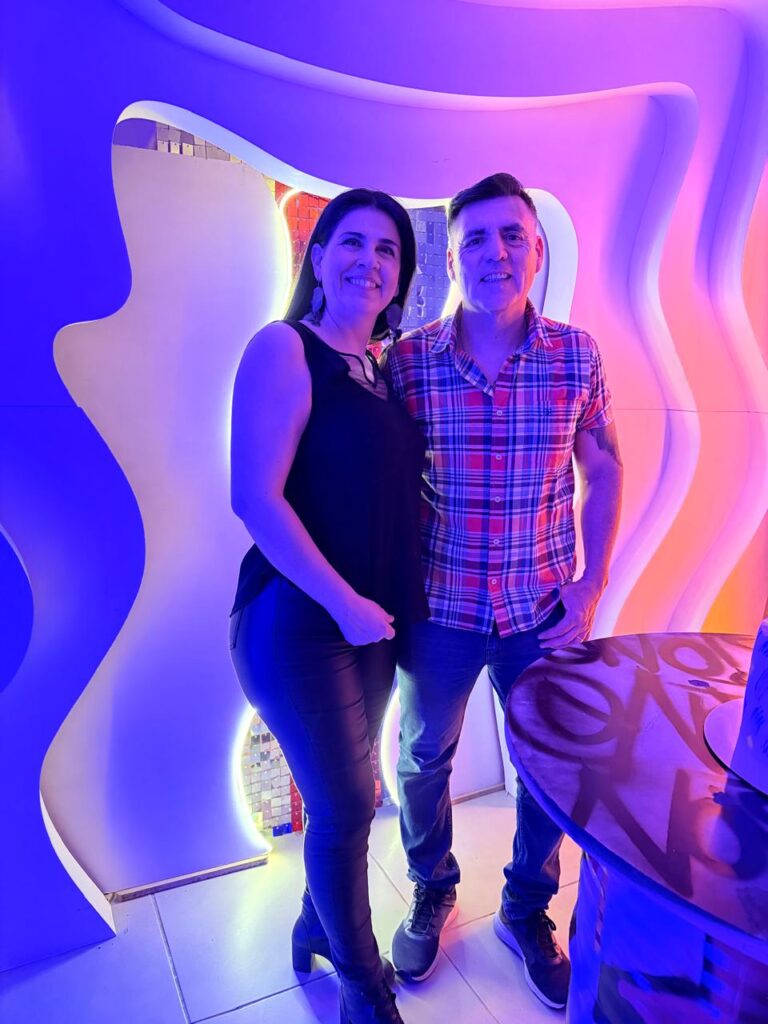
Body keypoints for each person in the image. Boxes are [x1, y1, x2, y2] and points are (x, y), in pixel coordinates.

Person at [381, 173, 623, 1010]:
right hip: (439, 610)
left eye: (511, 235)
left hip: (541, 612)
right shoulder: (408, 363)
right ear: (452, 259)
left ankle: (525, 908)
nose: (496, 252)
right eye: (475, 239)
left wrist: (591, 585)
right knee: (423, 759)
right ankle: (431, 887)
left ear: (536, 249)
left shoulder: (577, 355)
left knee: (547, 769)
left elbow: (603, 467)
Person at [229, 188, 428, 1024]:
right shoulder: (285, 347)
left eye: (388, 250)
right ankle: (364, 990)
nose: (369, 262)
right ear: (317, 256)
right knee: (346, 808)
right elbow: (255, 497)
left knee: (349, 802)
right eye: (352, 242)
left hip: (367, 623)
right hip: (297, 621)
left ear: (400, 276)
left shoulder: (379, 369)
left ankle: (315, 926)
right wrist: (345, 603)